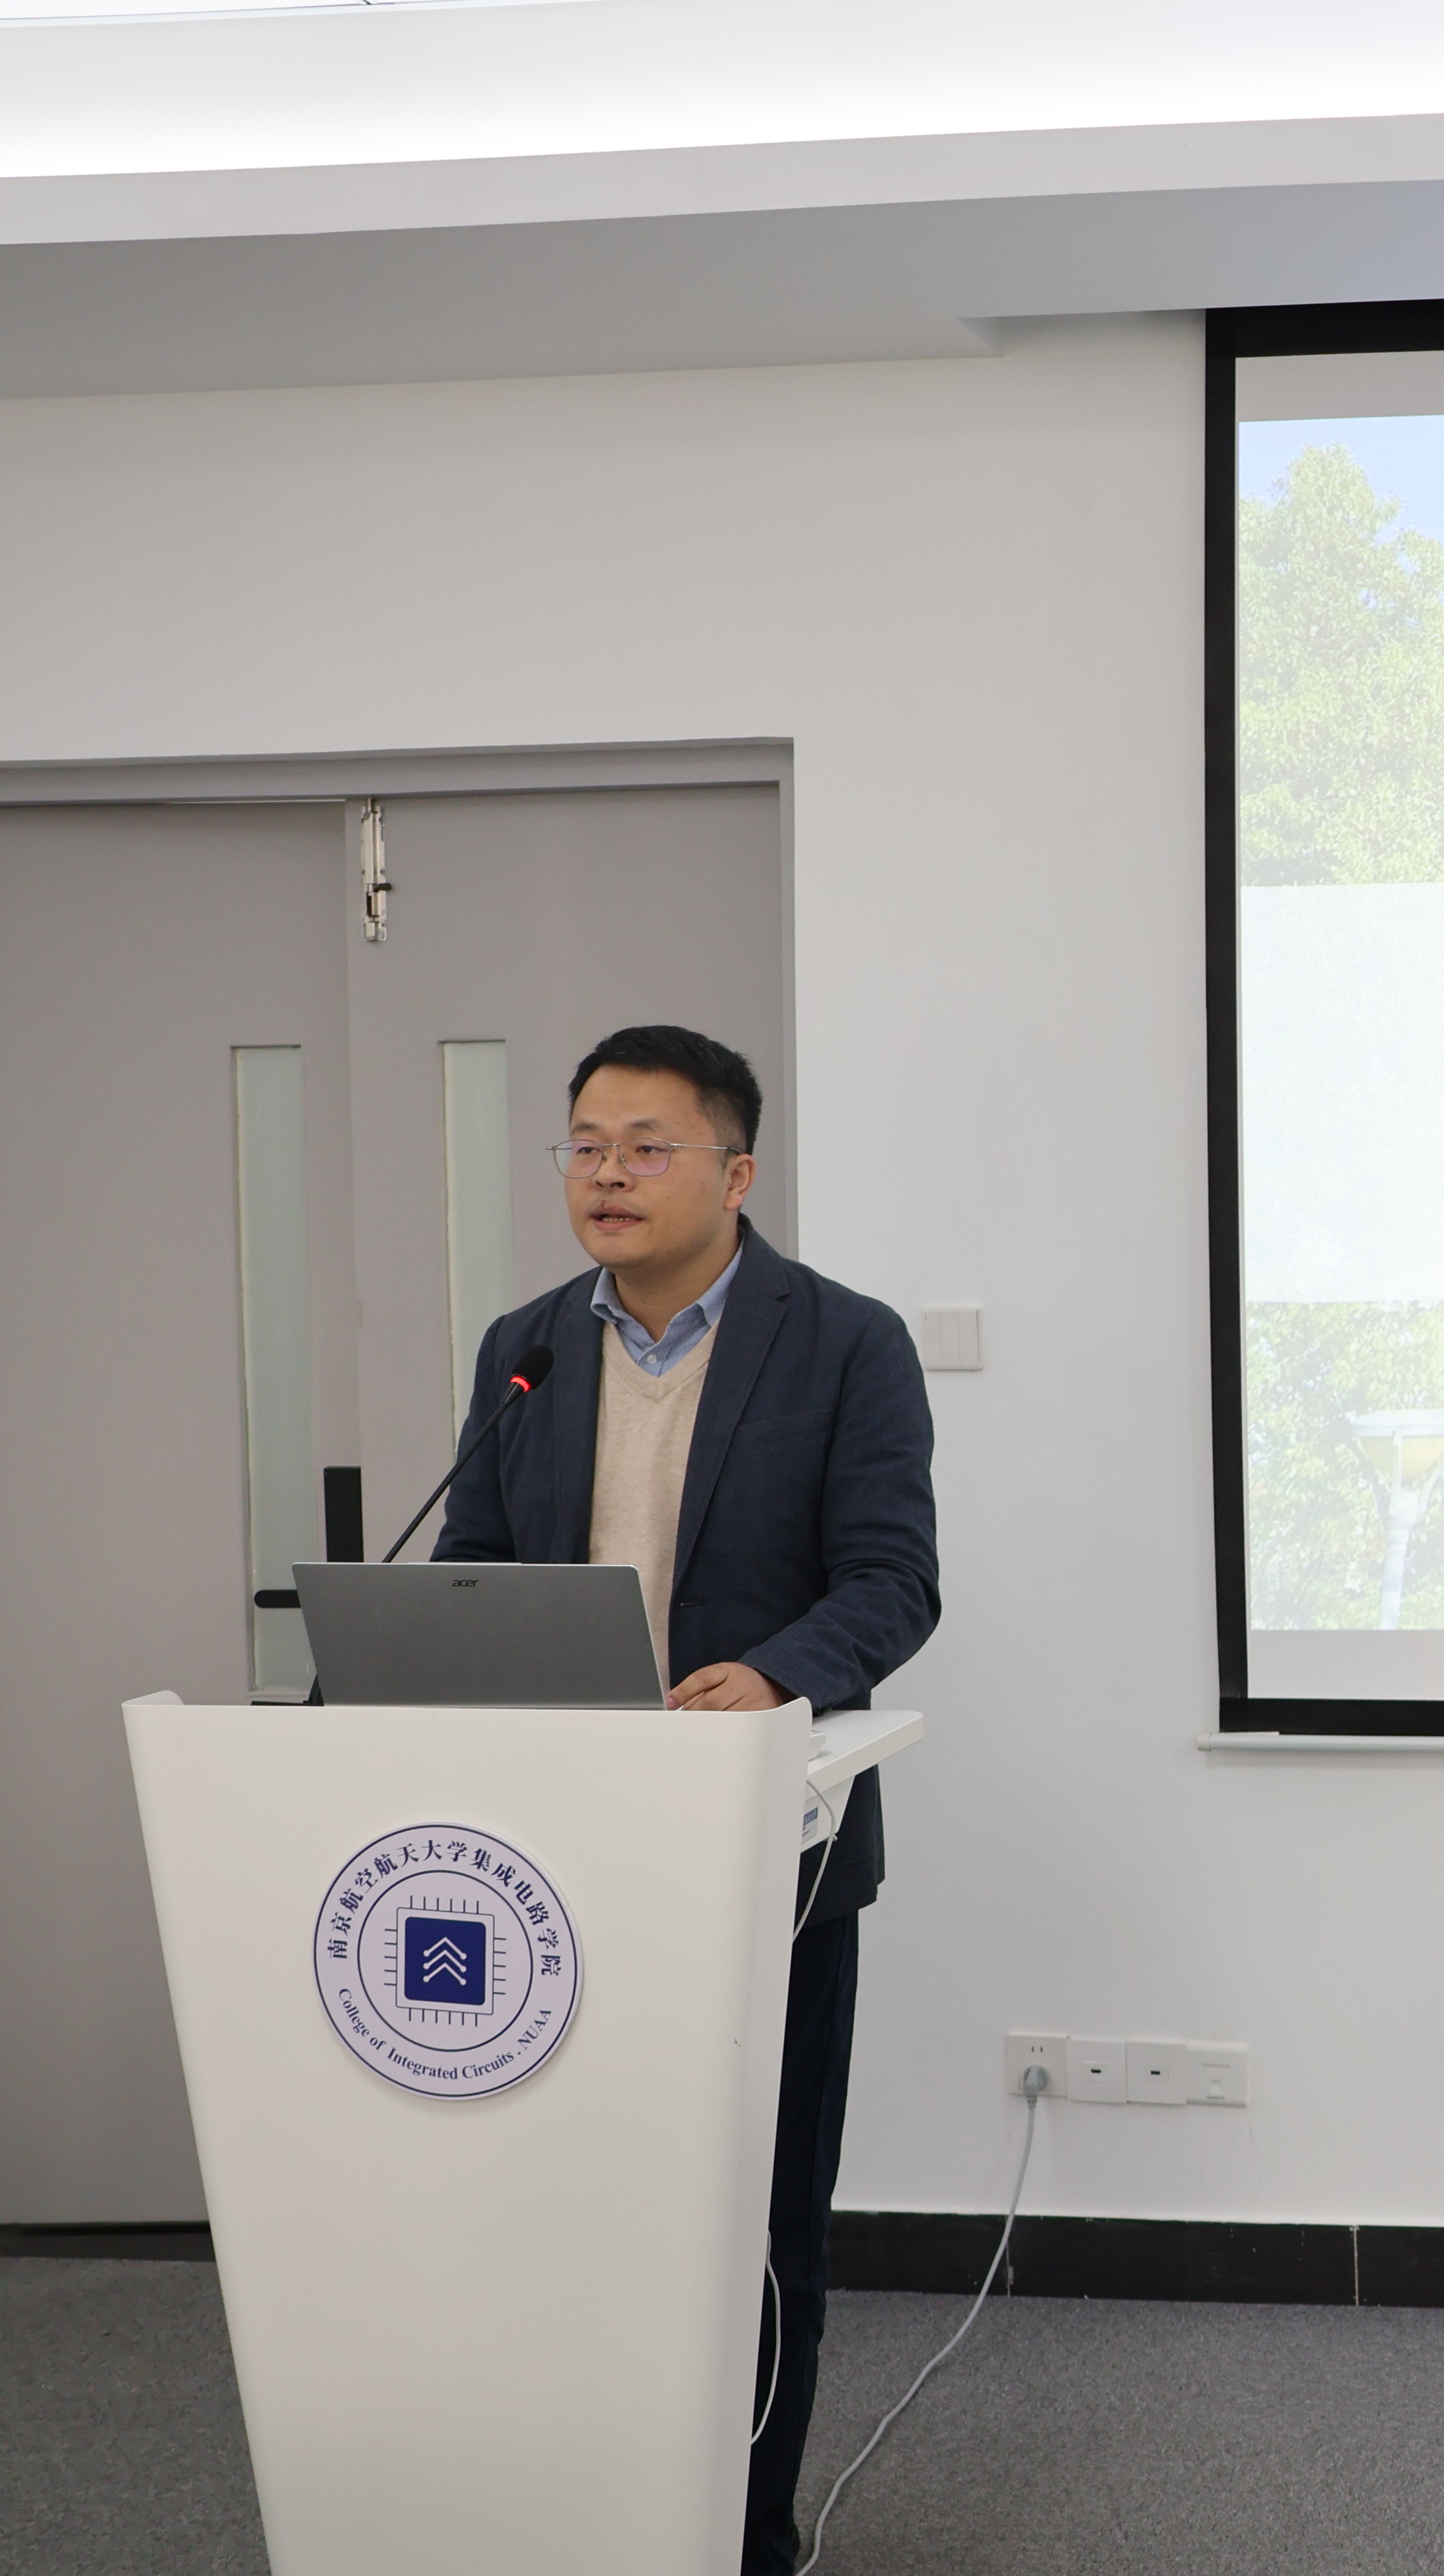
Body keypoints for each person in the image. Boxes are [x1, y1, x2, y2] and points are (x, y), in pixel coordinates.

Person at [434, 1023, 937, 2576]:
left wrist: (778, 1671)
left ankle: (745, 2533)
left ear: (737, 1170)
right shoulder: (526, 1343)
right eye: (586, 1144)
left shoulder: (845, 1341)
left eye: (647, 1145)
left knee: (758, 2223)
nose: (608, 1172)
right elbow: (471, 1569)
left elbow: (894, 1580)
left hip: (760, 1848)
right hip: (553, 1849)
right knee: (563, 2204)